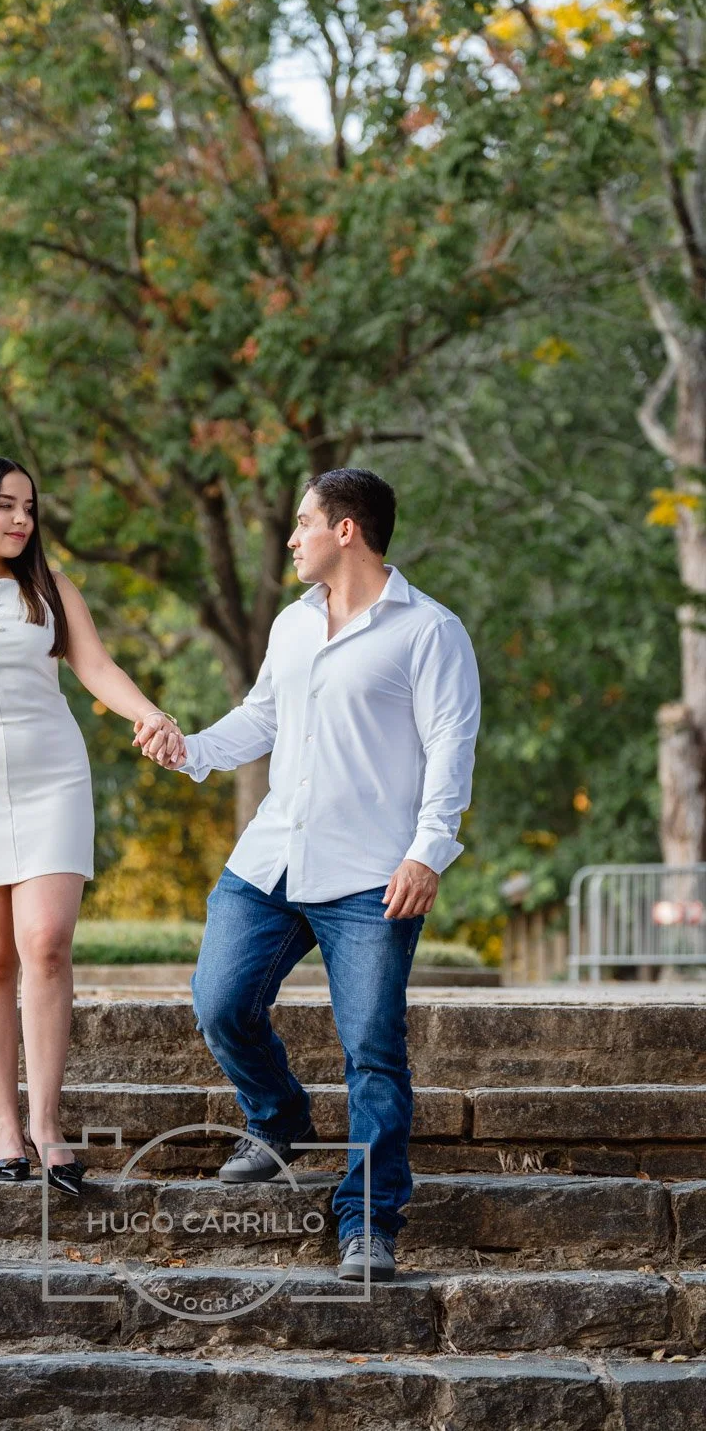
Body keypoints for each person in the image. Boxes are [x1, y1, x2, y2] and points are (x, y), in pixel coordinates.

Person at [135, 467, 481, 1282]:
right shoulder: (294, 624)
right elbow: (263, 715)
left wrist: (428, 851)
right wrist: (192, 749)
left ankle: (368, 1220)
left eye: (302, 524)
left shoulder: (429, 631)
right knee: (220, 1001)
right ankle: (279, 1117)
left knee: (373, 1050)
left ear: (347, 530)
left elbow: (450, 749)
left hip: (371, 876)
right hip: (271, 859)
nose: (291, 540)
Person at [0, 455, 183, 1195]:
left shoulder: (49, 590)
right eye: (7, 506)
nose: (22, 520)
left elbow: (97, 668)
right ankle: (4, 1126)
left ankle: (47, 1126)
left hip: (53, 775)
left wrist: (149, 712)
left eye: (29, 507)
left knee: (45, 944)